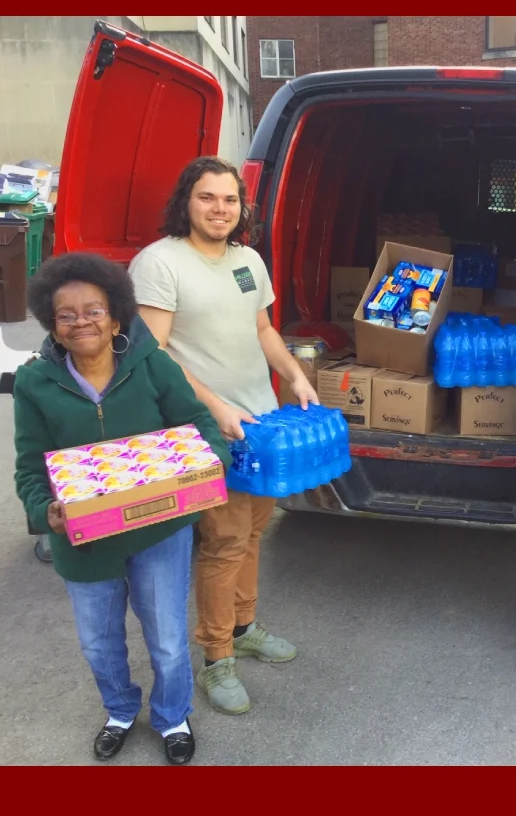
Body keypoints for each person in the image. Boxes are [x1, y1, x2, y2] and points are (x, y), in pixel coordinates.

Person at [12, 254, 231, 764]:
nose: (81, 321)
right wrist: (46, 511)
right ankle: (119, 710)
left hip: (159, 529)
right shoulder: (35, 383)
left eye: (94, 310)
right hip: (84, 539)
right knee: (98, 643)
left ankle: (173, 716)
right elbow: (29, 467)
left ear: (116, 317)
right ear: (52, 324)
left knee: (170, 640)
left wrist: (207, 468)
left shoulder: (152, 364)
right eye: (66, 314)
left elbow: (198, 423)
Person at [129, 156, 320, 716]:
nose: (220, 208)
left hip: (259, 421)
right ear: (186, 202)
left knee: (255, 530)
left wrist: (294, 375)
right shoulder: (161, 263)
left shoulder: (247, 260)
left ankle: (243, 626)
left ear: (243, 206)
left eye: (230, 199)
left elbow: (261, 328)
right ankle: (217, 658)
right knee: (224, 541)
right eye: (207, 197)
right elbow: (154, 352)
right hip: (208, 430)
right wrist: (215, 407)